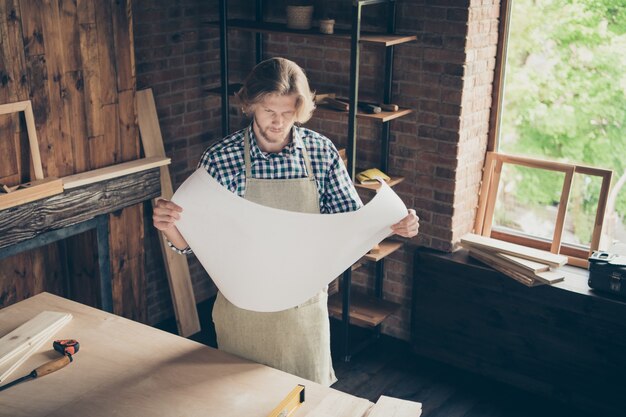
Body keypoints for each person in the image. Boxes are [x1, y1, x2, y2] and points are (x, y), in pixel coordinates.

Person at [152, 57, 419, 386]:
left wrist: (394, 224)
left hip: (302, 311)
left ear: (301, 109)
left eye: (287, 113)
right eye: (268, 111)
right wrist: (170, 226)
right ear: (250, 105)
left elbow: (351, 224)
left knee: (305, 400)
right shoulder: (221, 159)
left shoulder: (322, 153)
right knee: (242, 399)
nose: (278, 122)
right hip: (242, 313)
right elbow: (192, 246)